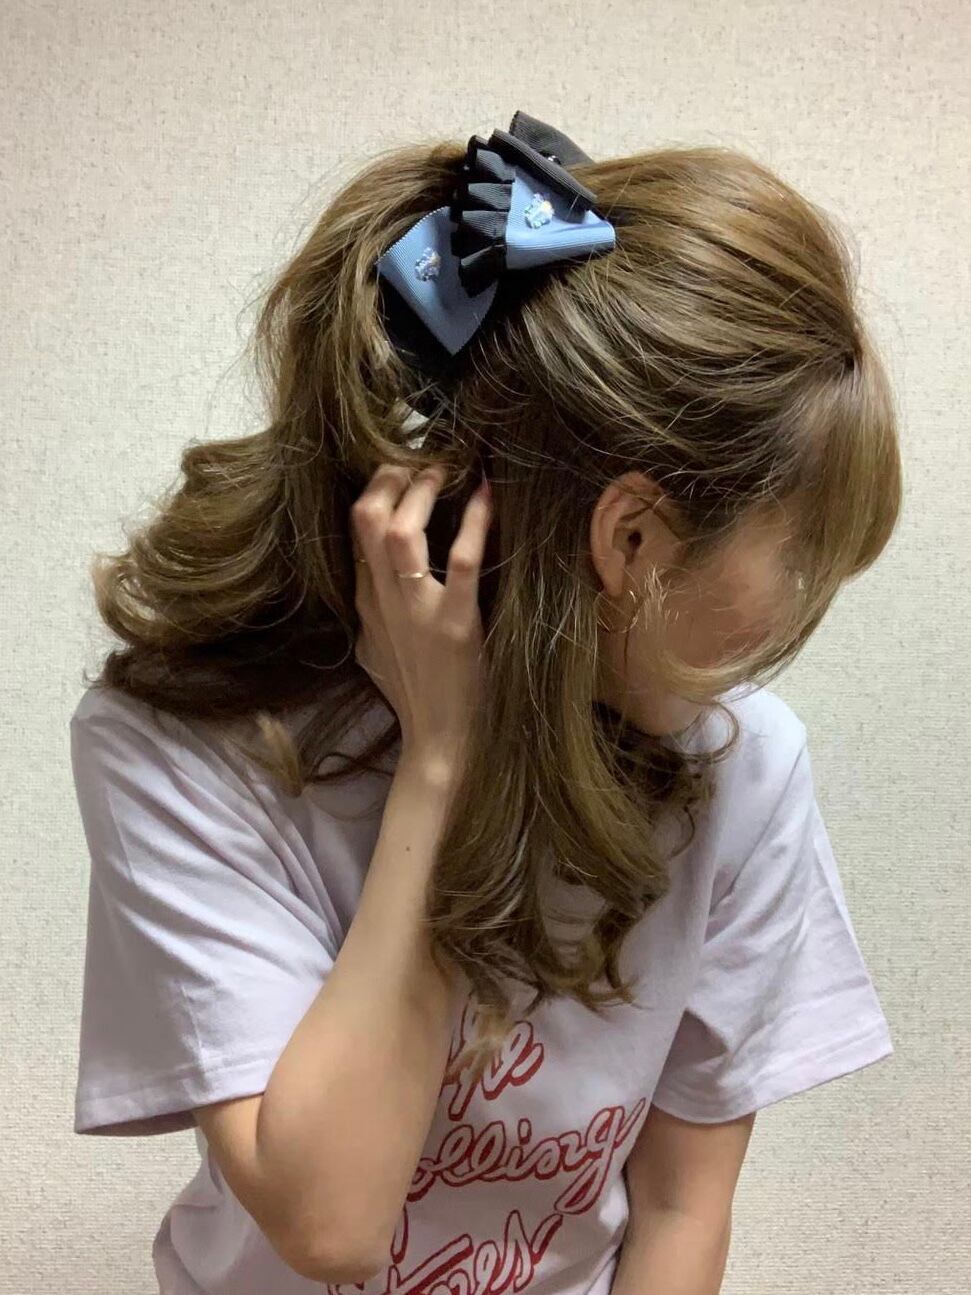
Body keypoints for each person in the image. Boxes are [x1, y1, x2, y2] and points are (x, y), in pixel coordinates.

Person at [69, 110, 902, 1295]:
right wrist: (441, 762)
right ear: (629, 539)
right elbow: (330, 1222)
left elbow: (679, 1203)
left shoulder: (741, 768)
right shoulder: (186, 747)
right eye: (802, 551)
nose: (801, 604)